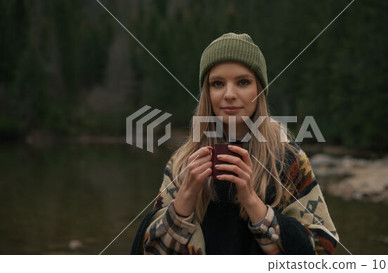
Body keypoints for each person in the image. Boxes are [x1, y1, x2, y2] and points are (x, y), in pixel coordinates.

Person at [131, 32, 338, 255]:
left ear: (259, 90)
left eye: (243, 82)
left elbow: (322, 250)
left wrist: (251, 200)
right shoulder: (184, 160)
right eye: (218, 83)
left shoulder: (288, 158)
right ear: (207, 93)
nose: (229, 94)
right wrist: (184, 202)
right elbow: (149, 255)